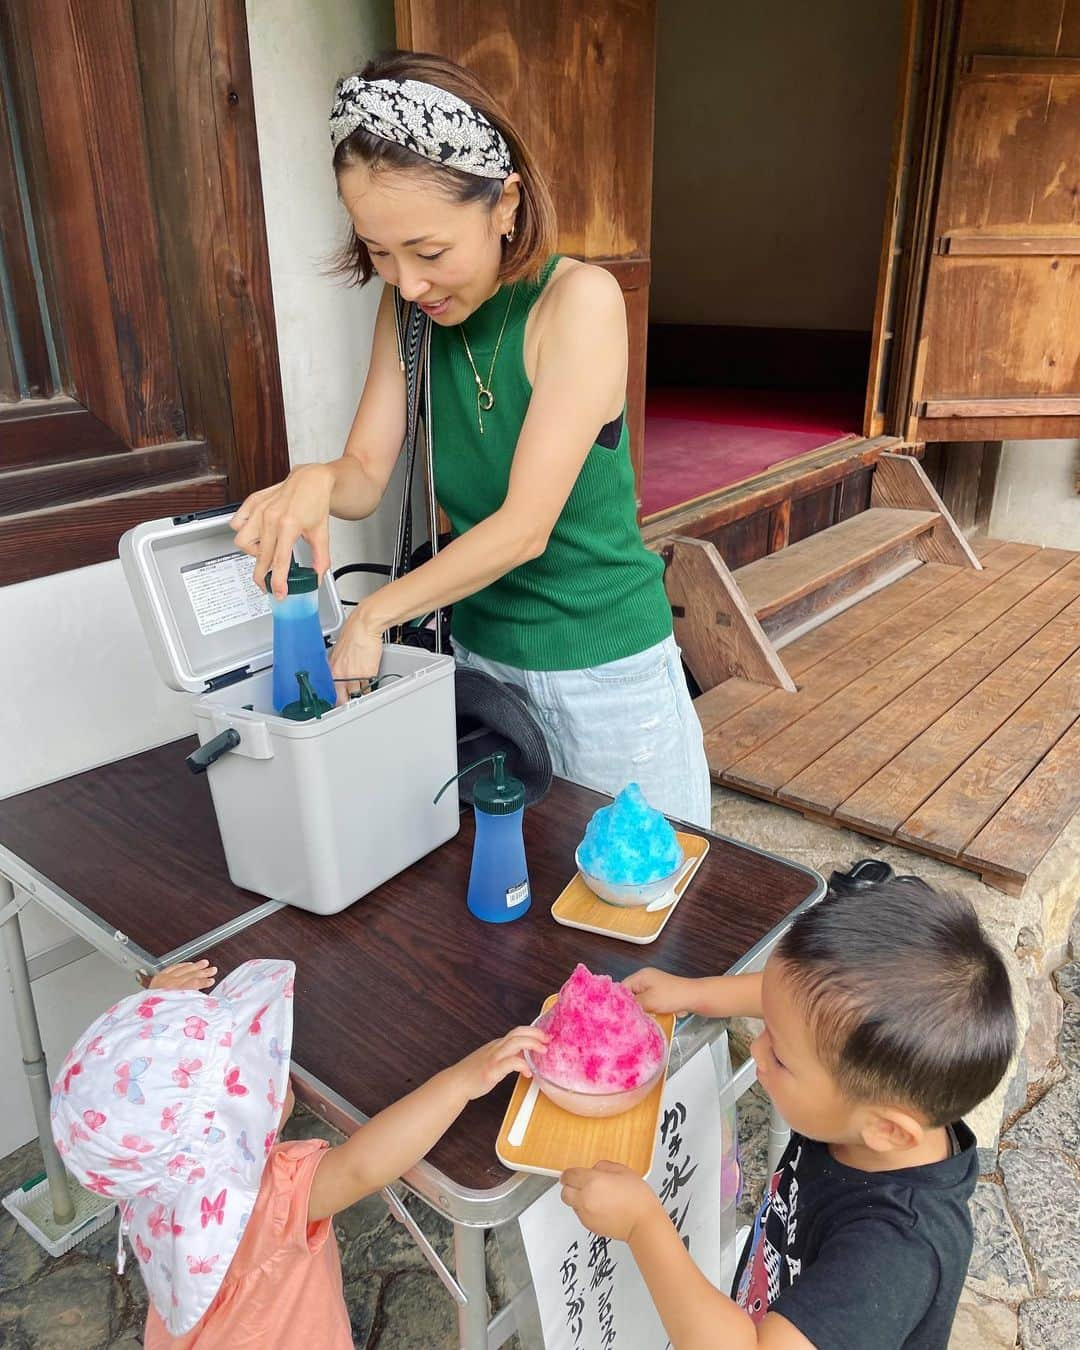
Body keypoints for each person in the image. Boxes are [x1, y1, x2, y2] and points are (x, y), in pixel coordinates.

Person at [229, 51, 711, 827]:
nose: (408, 283)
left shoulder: (577, 303)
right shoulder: (410, 311)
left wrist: (372, 614)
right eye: (378, 253)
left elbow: (523, 529)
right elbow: (363, 472)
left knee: (651, 902)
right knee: (513, 912)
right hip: (486, 662)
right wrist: (315, 480)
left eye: (427, 252)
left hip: (604, 668)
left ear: (505, 204)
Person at [560, 879, 1017, 1349]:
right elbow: (790, 1003)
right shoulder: (864, 1100)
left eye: (779, 1055)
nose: (757, 1050)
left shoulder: (893, 1253)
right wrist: (694, 993)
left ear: (885, 1128)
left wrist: (642, 1224)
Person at [50, 957, 546, 1347]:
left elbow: (126, 1098)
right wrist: (462, 1080)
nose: (272, 1060)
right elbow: (362, 1166)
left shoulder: (144, 1178)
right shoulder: (270, 1198)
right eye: (251, 1069)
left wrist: (157, 1010)